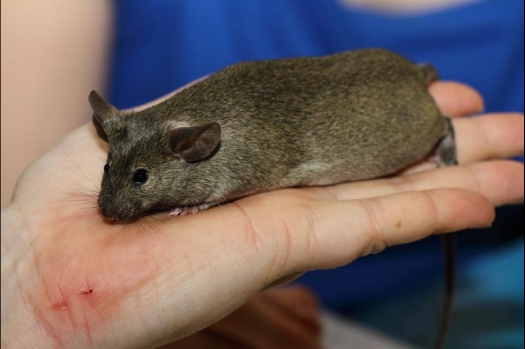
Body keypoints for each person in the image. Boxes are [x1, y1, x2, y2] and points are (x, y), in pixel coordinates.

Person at [2, 0, 523, 347]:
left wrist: (203, 200)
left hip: (416, 286)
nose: (112, 203)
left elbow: (243, 168)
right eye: (117, 171)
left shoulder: (216, 150)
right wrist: (26, 294)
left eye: (137, 180)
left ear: (195, 148)